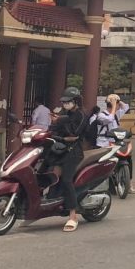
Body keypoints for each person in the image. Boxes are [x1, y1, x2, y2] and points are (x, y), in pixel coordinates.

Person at [51, 87, 87, 233]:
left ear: (76, 101)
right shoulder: (63, 113)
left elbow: (74, 134)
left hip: (74, 152)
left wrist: (61, 122)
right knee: (48, 174)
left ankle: (73, 215)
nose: (65, 104)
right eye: (64, 102)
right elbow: (53, 129)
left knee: (66, 180)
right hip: (58, 149)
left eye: (68, 101)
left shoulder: (81, 115)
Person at [96, 94, 135, 193]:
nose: (118, 106)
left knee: (128, 158)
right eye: (116, 104)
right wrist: (114, 105)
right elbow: (109, 119)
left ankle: (128, 182)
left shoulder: (116, 114)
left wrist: (117, 100)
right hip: (104, 143)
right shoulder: (101, 115)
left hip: (116, 142)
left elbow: (126, 107)